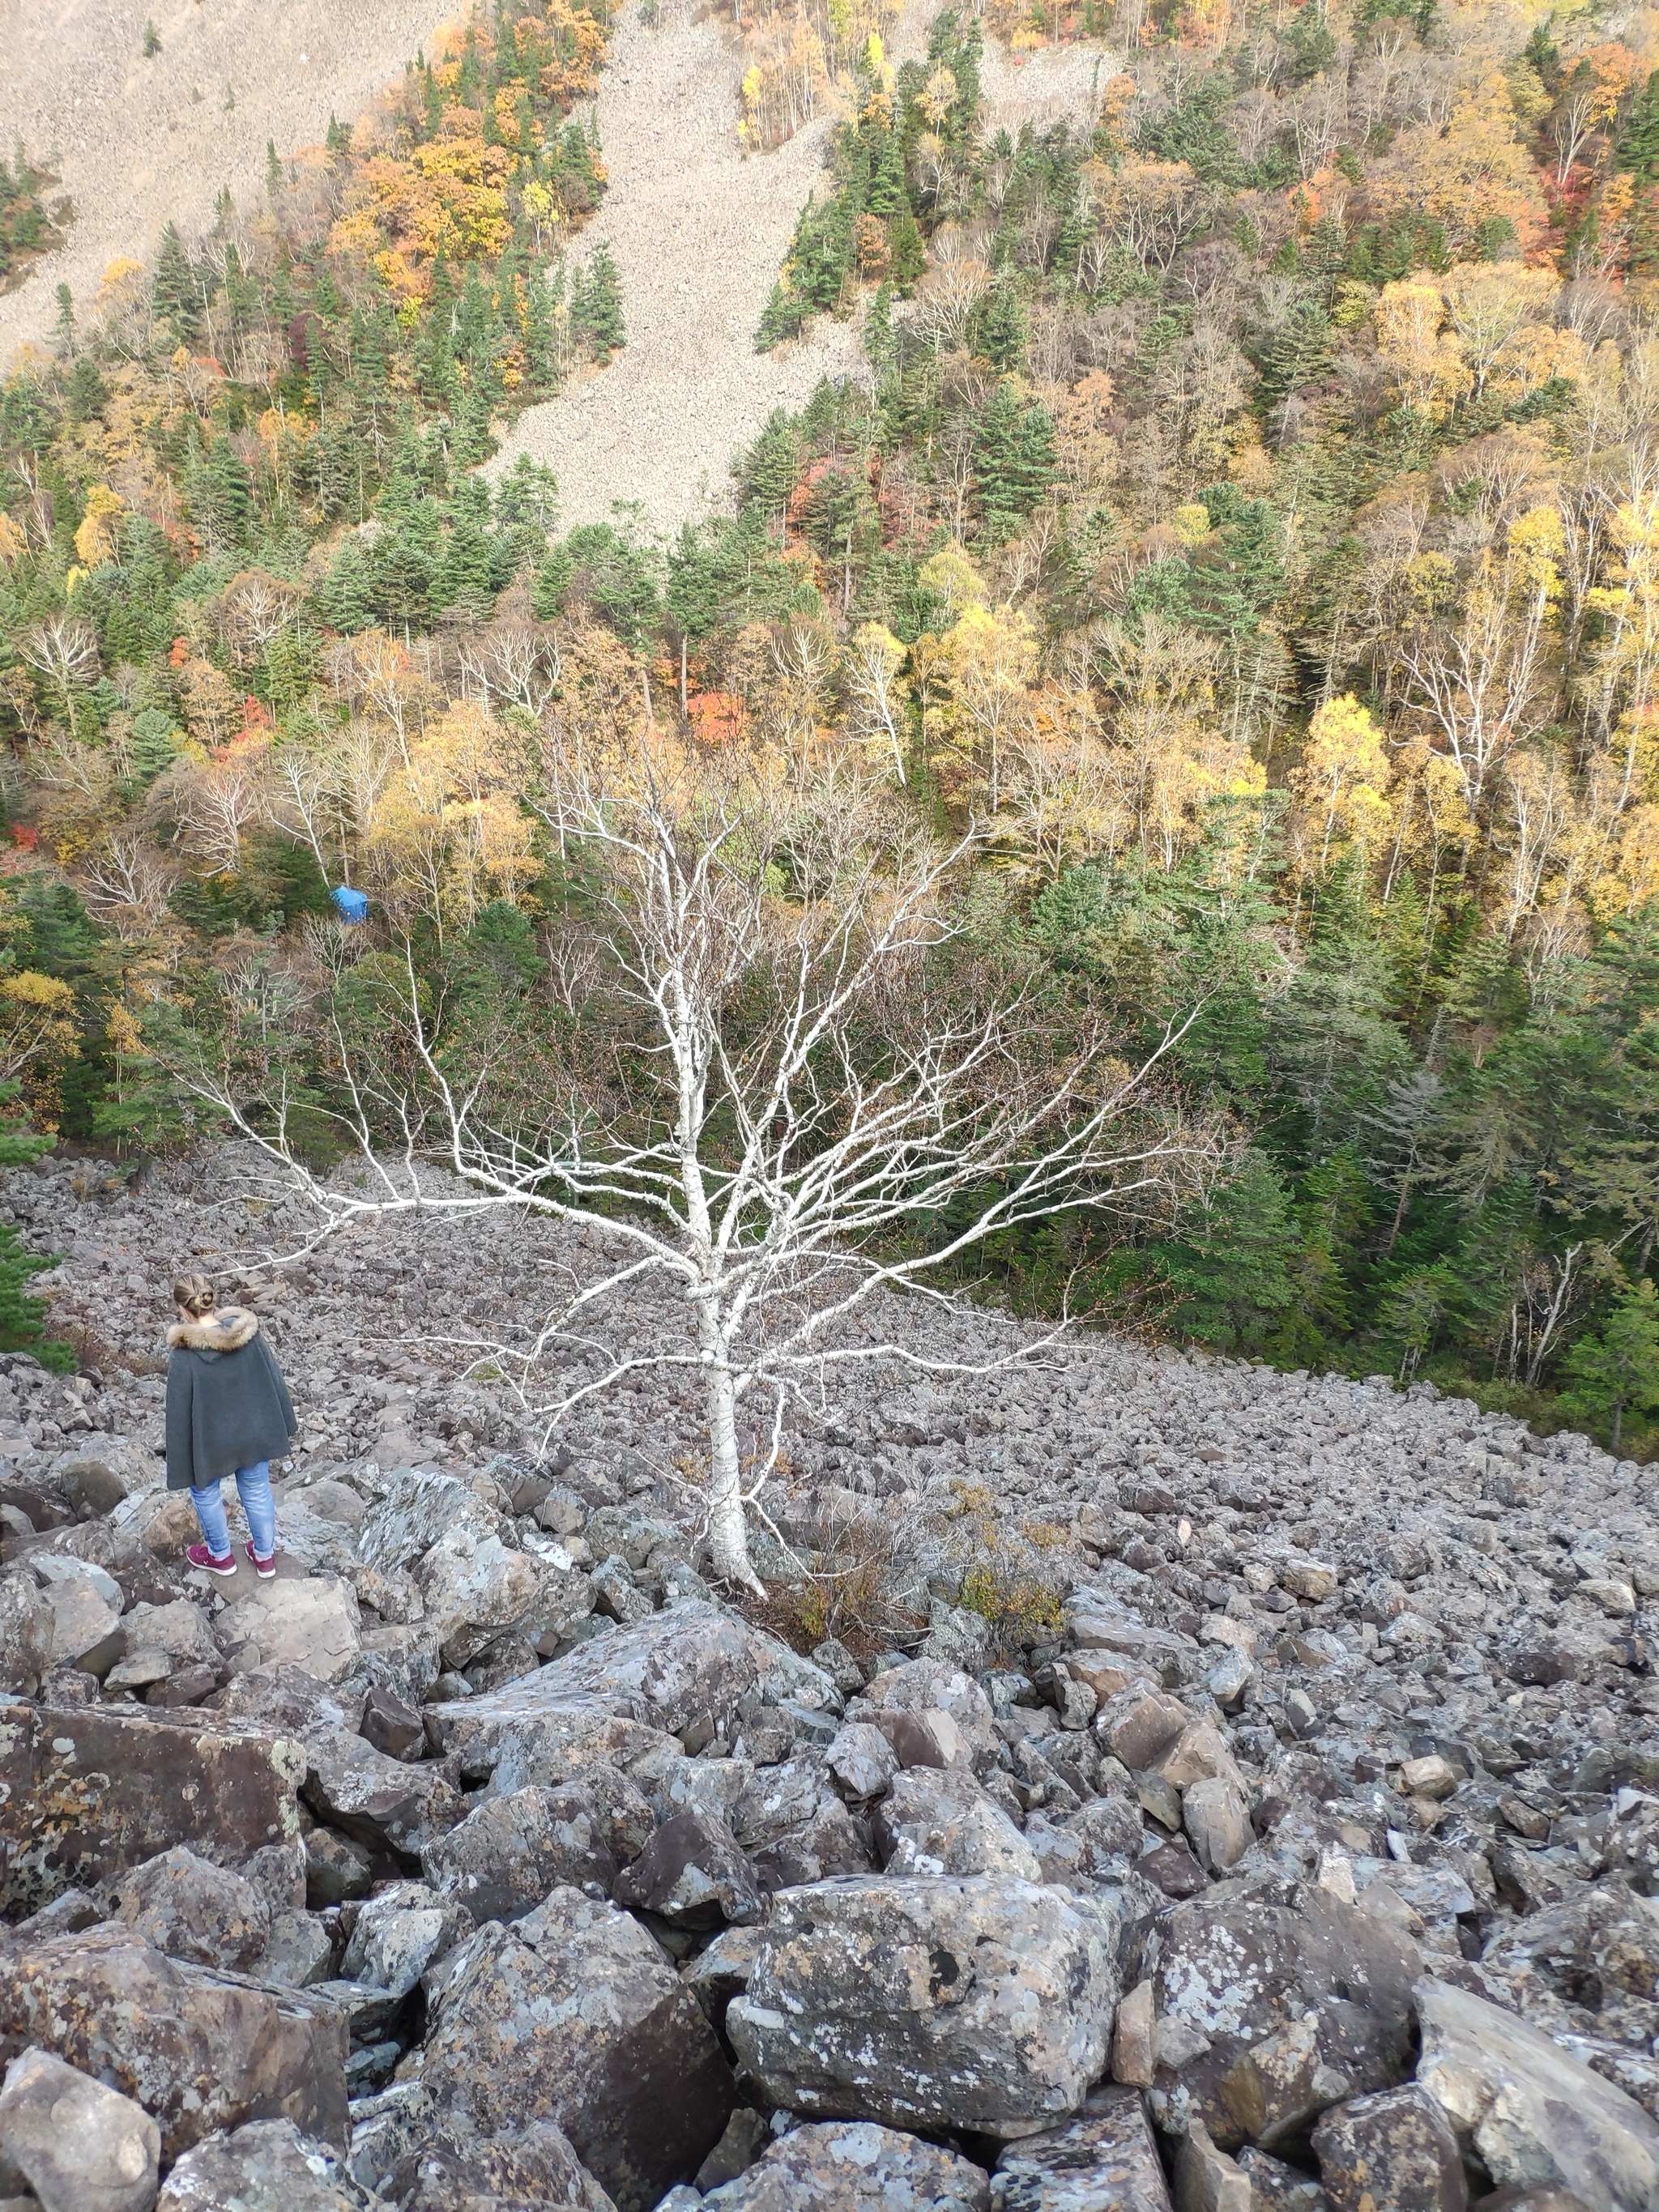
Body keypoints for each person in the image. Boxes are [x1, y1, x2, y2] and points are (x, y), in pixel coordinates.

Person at [164, 1272, 296, 1578]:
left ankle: (221, 1557)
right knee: (257, 1489)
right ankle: (265, 1558)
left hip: (210, 1442)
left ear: (183, 1310)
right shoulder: (247, 1336)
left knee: (205, 1492)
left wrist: (182, 1459)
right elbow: (273, 1381)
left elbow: (179, 1412)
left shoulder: (184, 1356)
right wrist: (283, 1422)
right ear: (212, 1300)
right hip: (252, 1434)